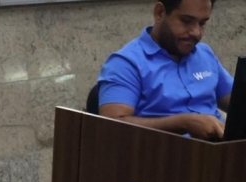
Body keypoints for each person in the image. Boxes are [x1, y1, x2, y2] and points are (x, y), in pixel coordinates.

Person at [97, 0, 233, 141]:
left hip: (221, 149)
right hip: (163, 151)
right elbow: (112, 126)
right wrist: (183, 123)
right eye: (186, 21)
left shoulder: (204, 54)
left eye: (202, 23)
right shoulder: (126, 63)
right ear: (160, 13)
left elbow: (237, 102)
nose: (196, 32)